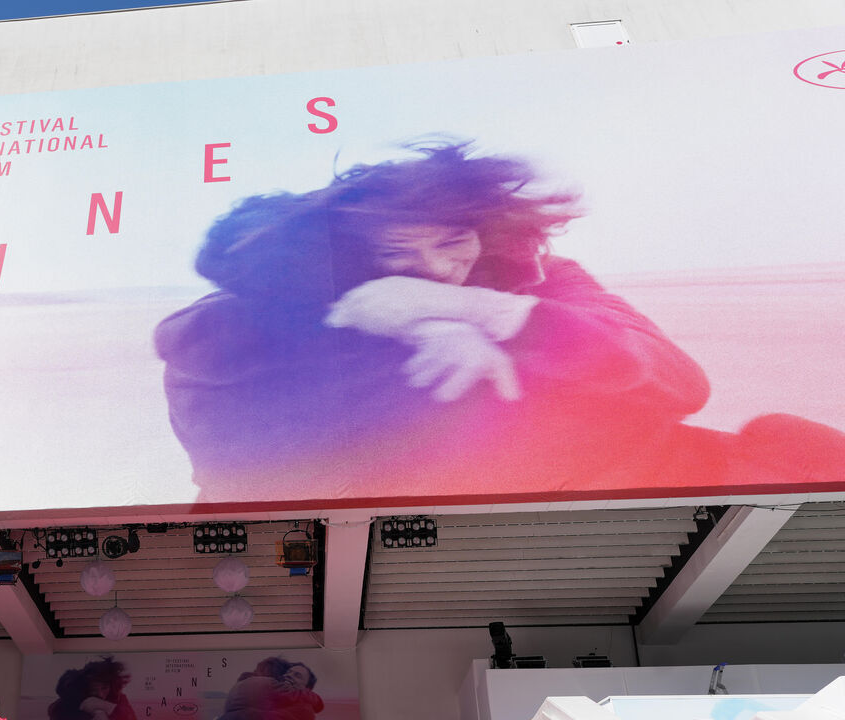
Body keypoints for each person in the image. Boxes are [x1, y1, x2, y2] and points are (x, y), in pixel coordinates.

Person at [154, 140, 845, 502]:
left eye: (453, 242)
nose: (434, 270)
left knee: (795, 445)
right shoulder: (268, 320)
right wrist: (423, 326)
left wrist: (476, 312)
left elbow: (681, 383)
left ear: (483, 230)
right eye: (397, 255)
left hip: (686, 490)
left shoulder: (543, 280)